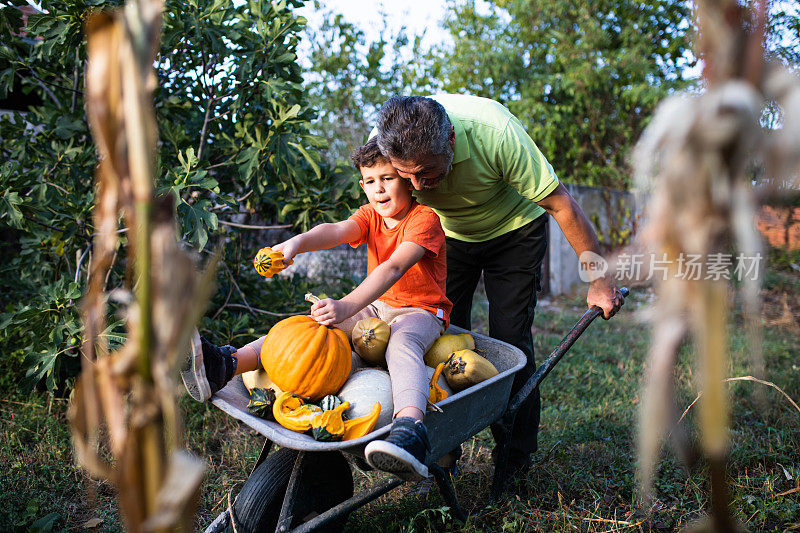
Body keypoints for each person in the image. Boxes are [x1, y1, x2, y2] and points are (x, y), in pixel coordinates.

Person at [373, 94, 624, 476]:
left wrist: (600, 280)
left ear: (451, 139)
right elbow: (376, 213)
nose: (416, 184)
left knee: (509, 343)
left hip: (514, 232)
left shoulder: (495, 133)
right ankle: (439, 452)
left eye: (425, 172)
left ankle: (514, 458)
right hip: (446, 238)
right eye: (405, 174)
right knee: (430, 338)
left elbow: (562, 205)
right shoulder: (387, 142)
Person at [181, 137, 452, 481]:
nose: (379, 190)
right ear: (362, 185)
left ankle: (410, 429)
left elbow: (393, 268)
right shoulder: (370, 215)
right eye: (370, 181)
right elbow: (335, 230)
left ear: (407, 178)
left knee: (401, 345)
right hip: (376, 309)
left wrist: (347, 305)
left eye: (388, 178)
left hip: (421, 312)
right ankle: (226, 364)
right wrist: (295, 244)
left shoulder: (423, 219)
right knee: (306, 332)